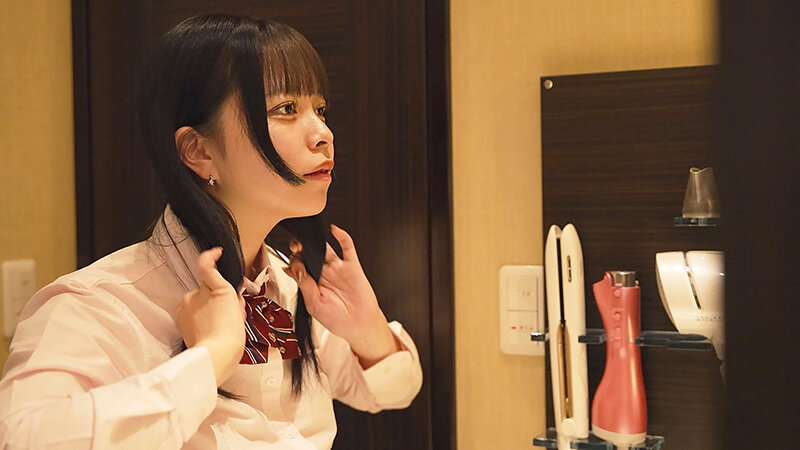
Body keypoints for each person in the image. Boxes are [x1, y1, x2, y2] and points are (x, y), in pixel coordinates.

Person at [0, 14, 422, 449]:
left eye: (320, 109)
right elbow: (23, 439)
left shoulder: (290, 285)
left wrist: (367, 327)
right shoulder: (97, 305)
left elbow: (392, 391)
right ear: (199, 150)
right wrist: (212, 355)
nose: (324, 134)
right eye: (286, 109)